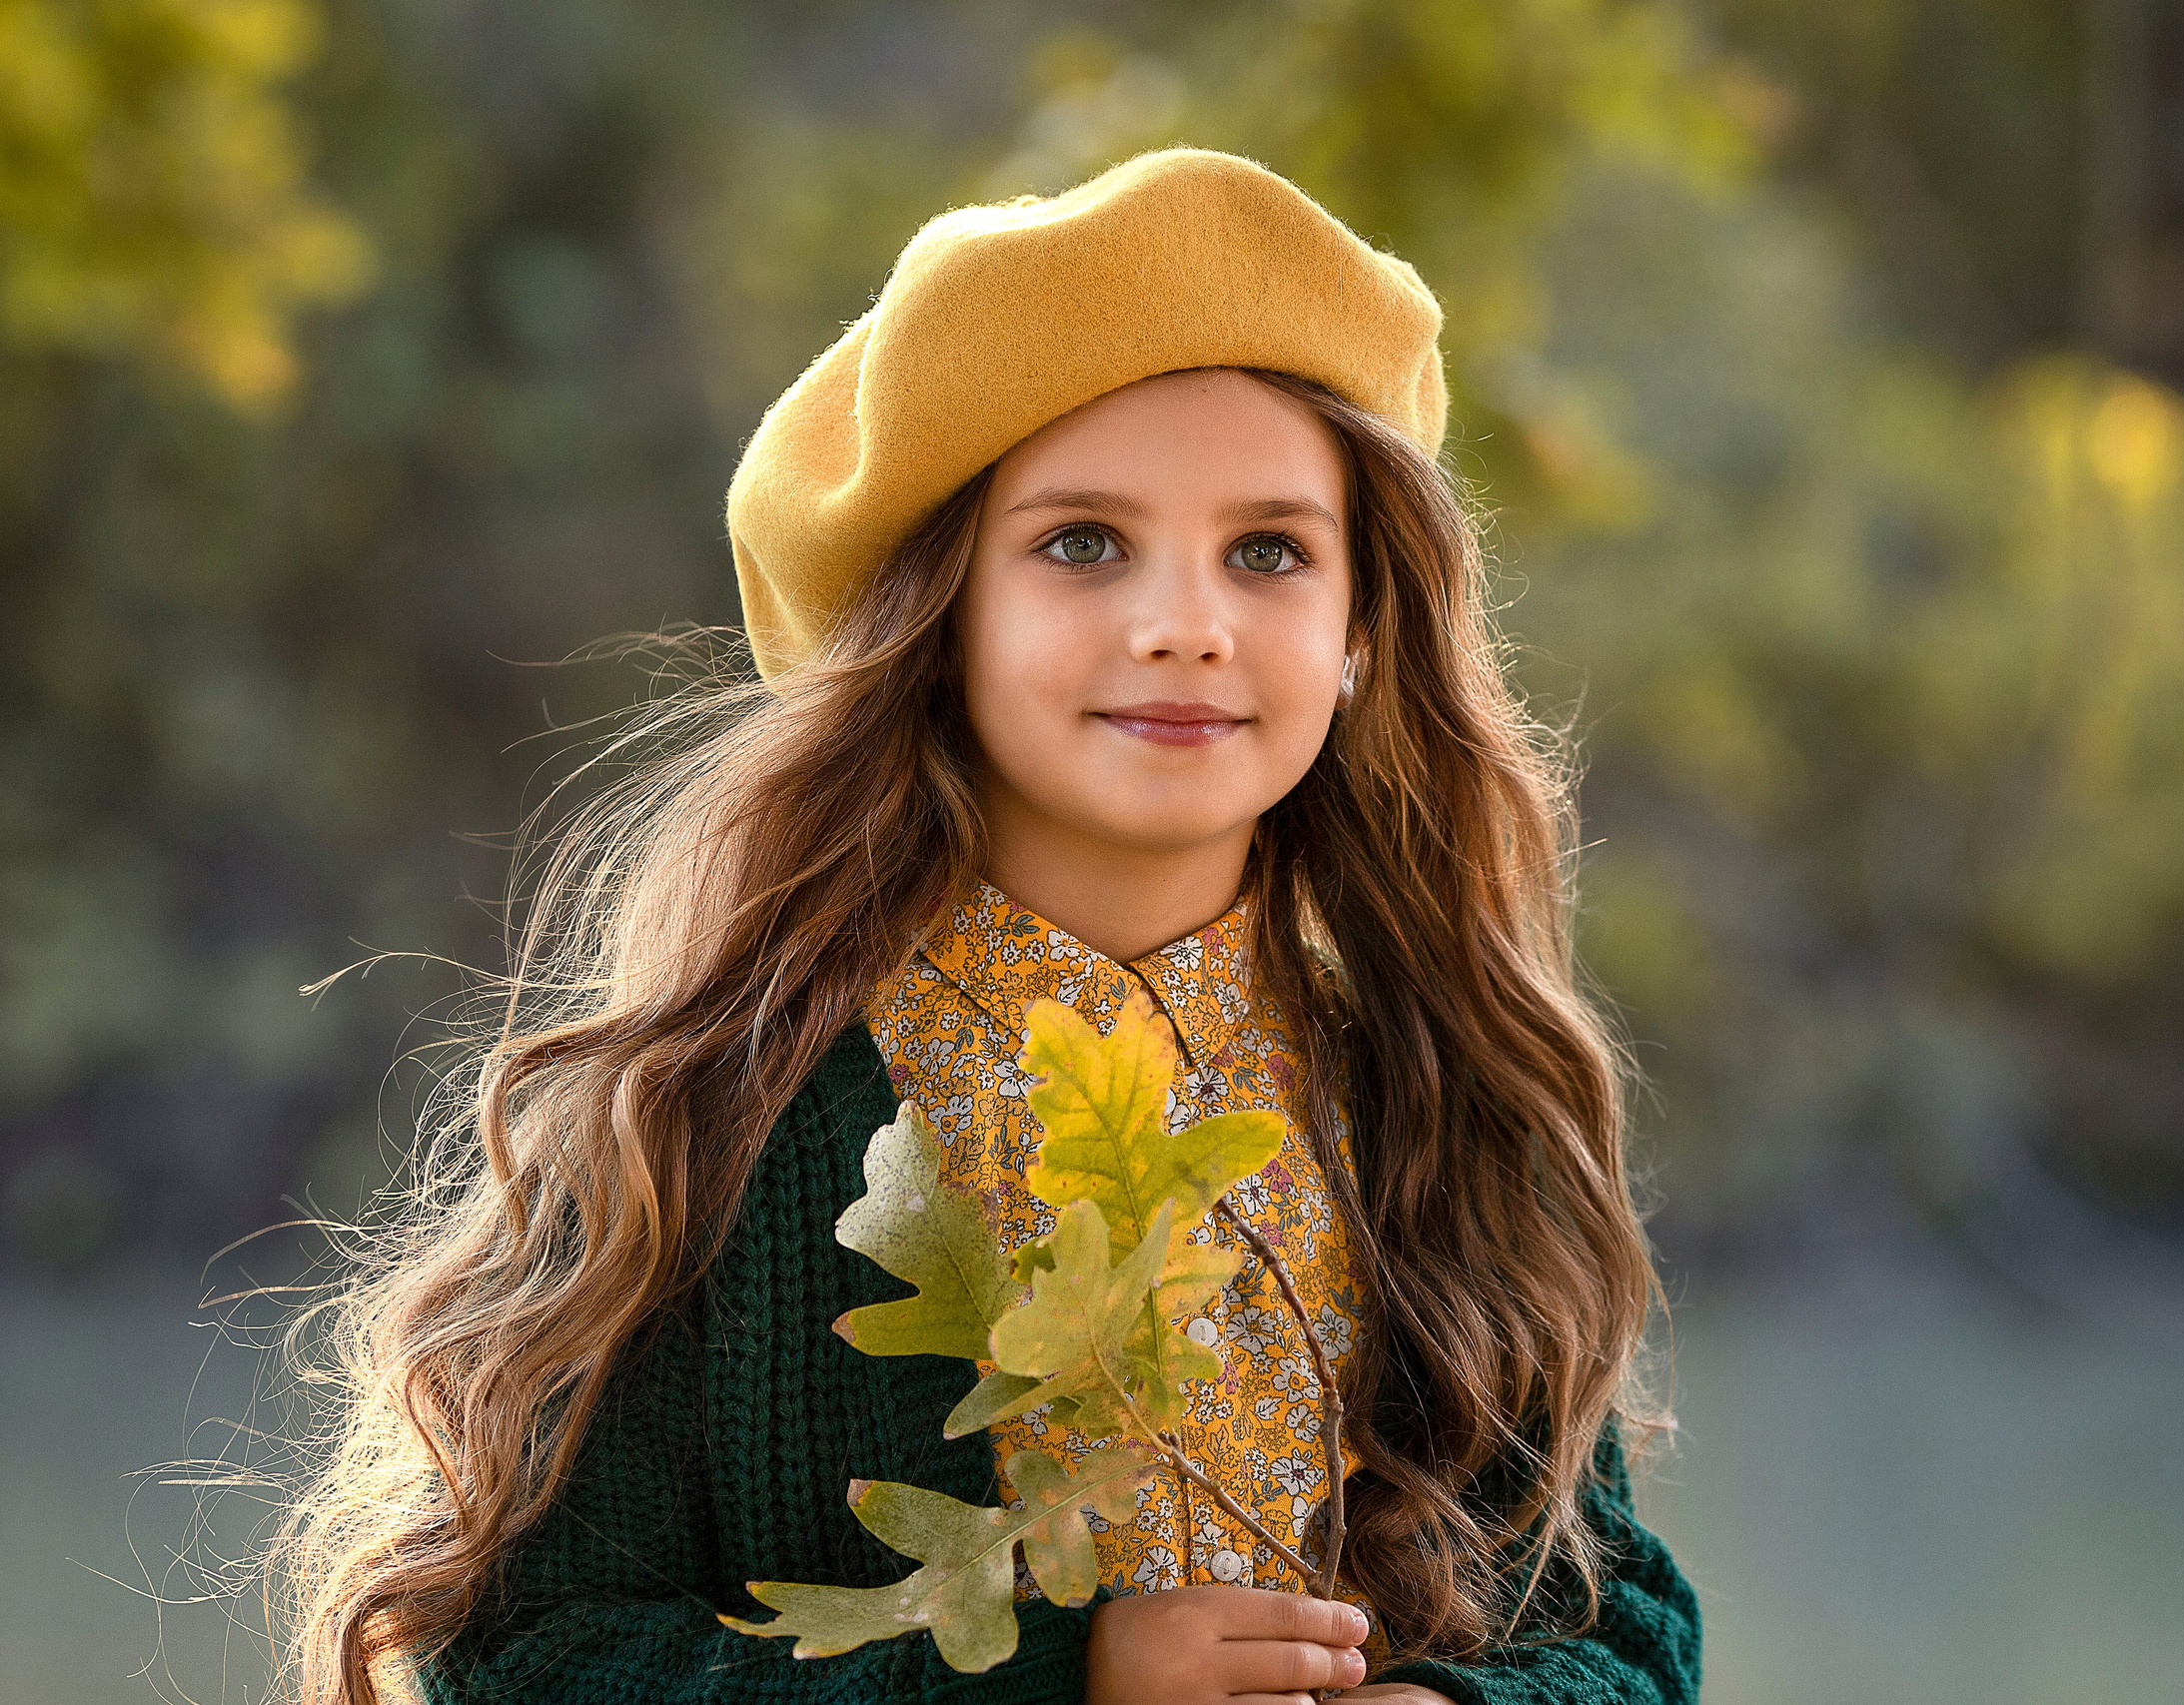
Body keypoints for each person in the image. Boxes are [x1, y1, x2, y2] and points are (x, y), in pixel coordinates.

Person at [268, 147, 1701, 1705]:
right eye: (1082, 543)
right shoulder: (703, 1118)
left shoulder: (1440, 1100)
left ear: (1363, 631)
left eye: (1270, 551)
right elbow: (531, 1663)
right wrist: (1051, 1685)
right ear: (937, 616)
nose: (1186, 622)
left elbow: (1622, 1633)